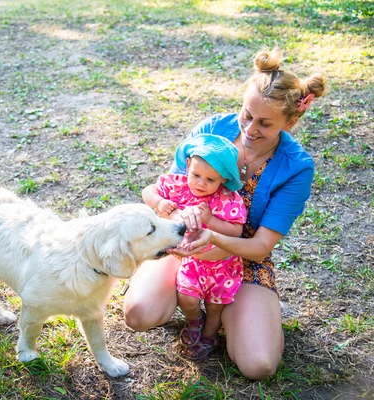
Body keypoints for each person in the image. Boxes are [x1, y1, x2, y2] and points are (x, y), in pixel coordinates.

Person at [124, 47, 326, 380]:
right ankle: (190, 305)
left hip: (243, 256)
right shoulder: (213, 129)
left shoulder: (296, 167)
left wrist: (214, 236)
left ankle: (223, 316)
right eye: (247, 115)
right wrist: (181, 229)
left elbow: (261, 246)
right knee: (138, 314)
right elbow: (169, 190)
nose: (249, 128)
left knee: (258, 365)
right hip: (184, 244)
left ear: (290, 122)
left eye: (265, 123)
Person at [142, 134, 247, 360]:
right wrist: (159, 202)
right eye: (196, 175)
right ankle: (193, 321)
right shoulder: (176, 185)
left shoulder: (227, 199)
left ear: (223, 180)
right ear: (187, 164)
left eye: (211, 180)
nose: (201, 183)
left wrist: (210, 220)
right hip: (190, 260)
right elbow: (148, 191)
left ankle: (210, 335)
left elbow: (236, 231)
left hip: (220, 265)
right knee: (187, 297)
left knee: (215, 306)